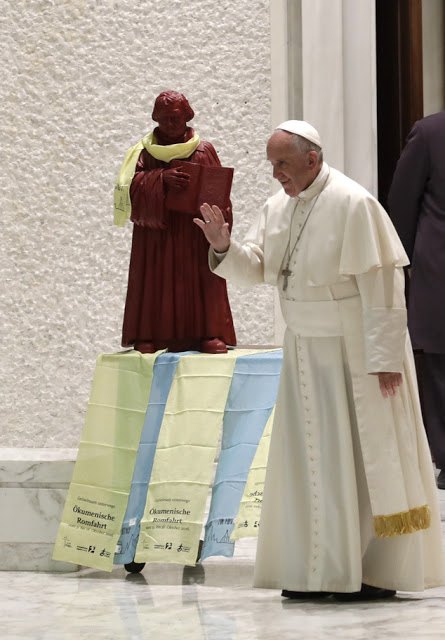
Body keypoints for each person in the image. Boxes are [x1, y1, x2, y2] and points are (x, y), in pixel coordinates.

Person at [194, 121, 445, 600]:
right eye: (272, 165)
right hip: (304, 351)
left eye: (282, 164)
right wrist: (223, 246)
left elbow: (384, 287)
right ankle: (317, 572)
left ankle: (367, 573)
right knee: (312, 465)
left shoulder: (353, 203)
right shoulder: (279, 207)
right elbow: (260, 269)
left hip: (353, 354)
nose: (276, 175)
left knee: (357, 464)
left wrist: (385, 356)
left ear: (312, 159)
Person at [114, 91, 236, 353]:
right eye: (165, 119)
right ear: (156, 119)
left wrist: (218, 217)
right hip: (157, 235)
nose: (171, 124)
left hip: (194, 233)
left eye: (176, 118)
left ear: (187, 117)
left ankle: (208, 333)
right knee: (153, 280)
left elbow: (219, 190)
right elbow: (129, 191)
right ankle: (149, 334)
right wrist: (160, 179)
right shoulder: (144, 153)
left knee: (200, 278)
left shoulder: (203, 150)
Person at [388, 111, 445, 490]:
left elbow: (402, 201)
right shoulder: (430, 133)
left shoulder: (429, 131)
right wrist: (402, 260)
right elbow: (403, 204)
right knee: (440, 365)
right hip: (440, 263)